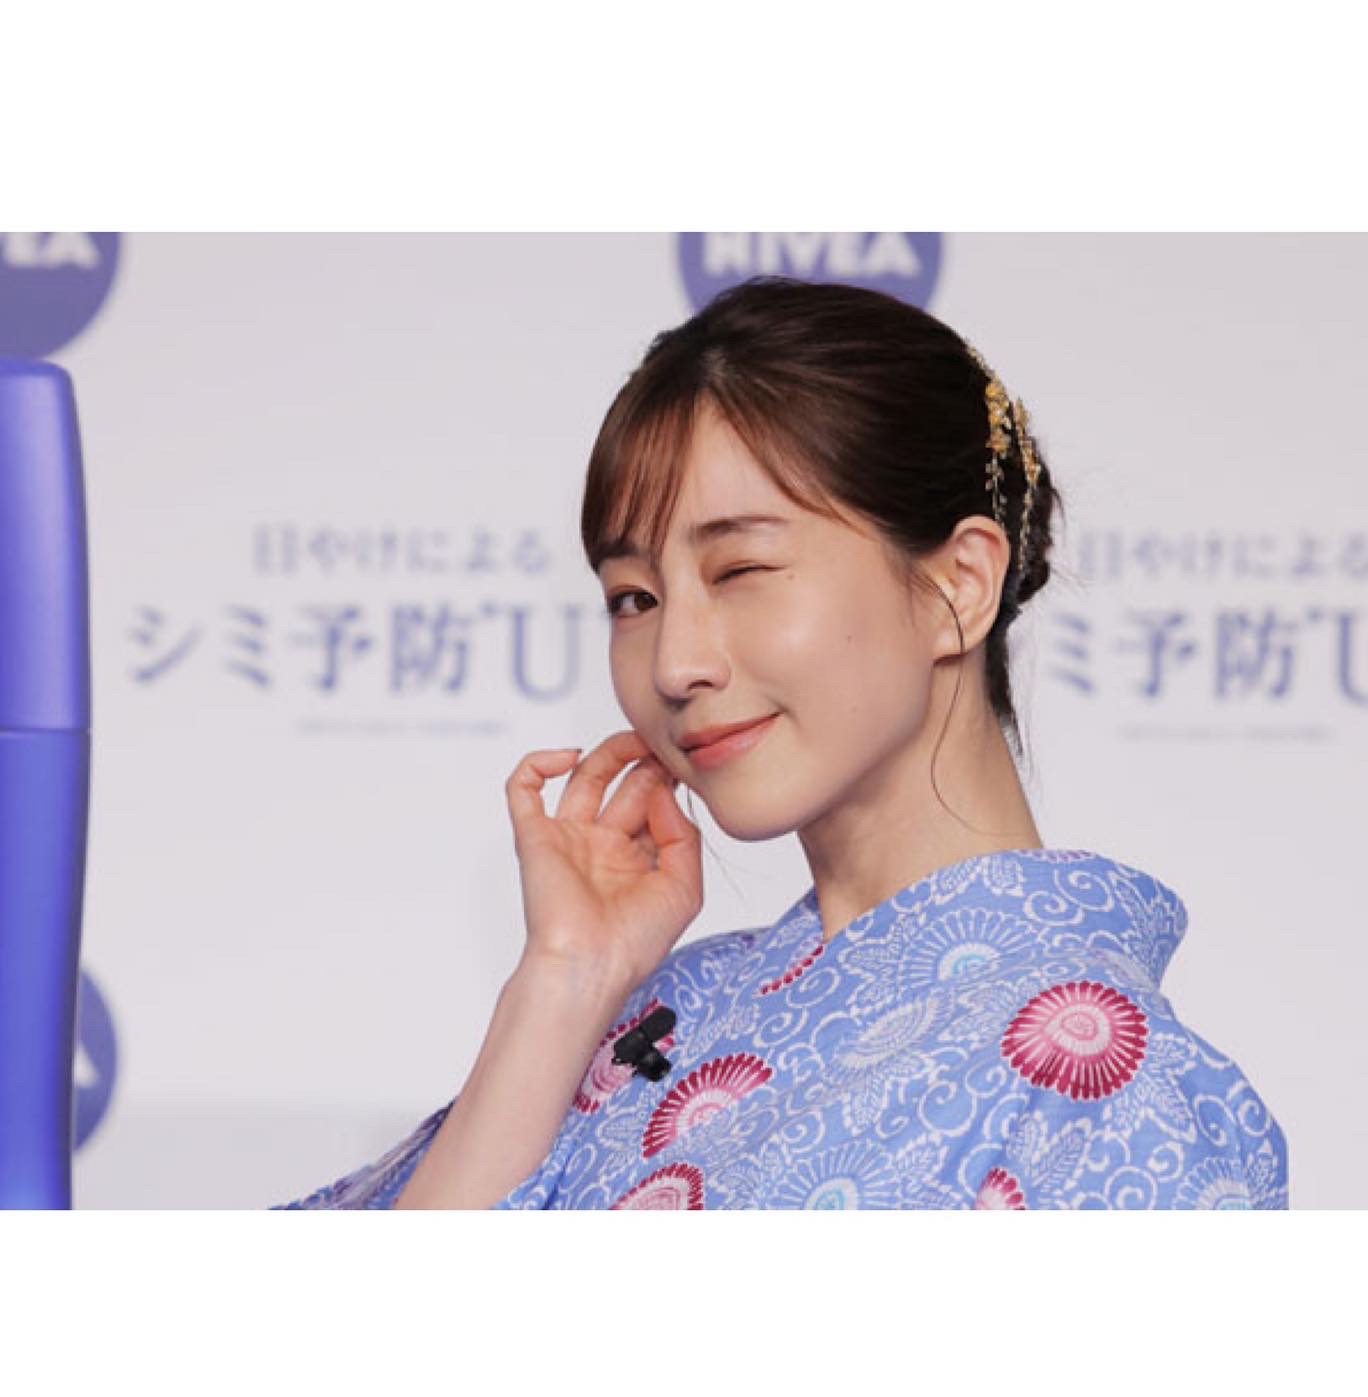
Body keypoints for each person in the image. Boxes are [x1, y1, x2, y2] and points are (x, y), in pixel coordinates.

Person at [271, 277, 1288, 1211]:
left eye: (741, 571)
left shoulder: (1112, 1083)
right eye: (633, 599)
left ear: (958, 585)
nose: (675, 663)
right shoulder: (654, 1014)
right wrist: (565, 979)